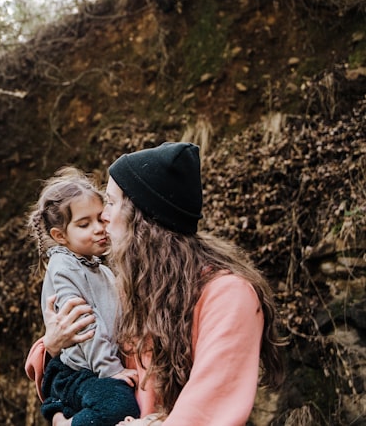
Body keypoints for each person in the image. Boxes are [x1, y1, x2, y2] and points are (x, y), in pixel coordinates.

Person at [25, 142, 284, 426]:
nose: (104, 218)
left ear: (143, 216)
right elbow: (74, 359)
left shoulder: (227, 295)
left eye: (110, 203)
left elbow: (208, 407)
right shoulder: (132, 285)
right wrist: (50, 346)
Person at [29, 167, 140, 426]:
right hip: (80, 372)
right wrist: (112, 371)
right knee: (118, 405)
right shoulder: (63, 268)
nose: (99, 228)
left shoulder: (98, 267)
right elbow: (85, 326)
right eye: (84, 224)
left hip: (93, 369)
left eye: (101, 219)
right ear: (60, 236)